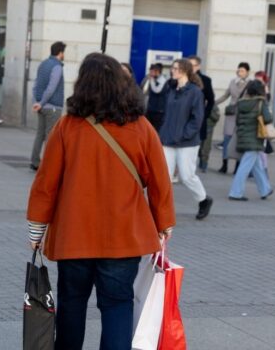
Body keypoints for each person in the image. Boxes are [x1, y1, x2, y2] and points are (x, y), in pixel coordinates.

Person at [26, 53, 175, 350]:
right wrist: (164, 224)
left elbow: (46, 183)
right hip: (124, 237)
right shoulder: (142, 127)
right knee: (118, 305)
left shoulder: (67, 127)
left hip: (74, 237)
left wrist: (36, 230)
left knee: (72, 303)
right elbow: (160, 181)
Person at [160, 59, 213, 220]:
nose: (172, 71)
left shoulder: (195, 92)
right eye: (172, 68)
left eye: (176, 69)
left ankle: (203, 200)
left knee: (187, 176)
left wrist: (184, 135)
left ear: (184, 71)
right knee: (164, 177)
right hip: (168, 139)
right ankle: (162, 210)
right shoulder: (171, 89)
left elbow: (197, 119)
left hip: (187, 142)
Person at [228, 80, 274, 201]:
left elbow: (237, 121)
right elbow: (268, 119)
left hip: (243, 137)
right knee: (245, 166)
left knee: (257, 164)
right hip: (254, 138)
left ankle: (265, 189)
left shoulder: (241, 102)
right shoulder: (261, 102)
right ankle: (235, 192)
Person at [29, 41, 66, 171]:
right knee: (51, 136)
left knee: (40, 134)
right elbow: (51, 88)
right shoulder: (57, 67)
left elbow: (36, 84)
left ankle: (34, 161)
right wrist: (42, 102)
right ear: (60, 53)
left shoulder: (43, 64)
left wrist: (36, 102)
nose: (64, 55)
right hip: (52, 107)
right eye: (63, 53)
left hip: (41, 105)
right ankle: (47, 165)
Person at [216, 62, 250, 174]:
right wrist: (214, 102)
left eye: (243, 71)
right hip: (231, 115)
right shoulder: (232, 82)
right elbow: (226, 95)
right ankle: (224, 165)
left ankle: (237, 167)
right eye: (239, 70)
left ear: (247, 72)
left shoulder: (250, 84)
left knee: (238, 142)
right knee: (226, 140)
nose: (240, 73)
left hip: (242, 116)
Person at [189, 56, 216, 172]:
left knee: (199, 142)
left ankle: (202, 161)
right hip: (185, 116)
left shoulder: (205, 80)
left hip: (199, 117)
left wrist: (205, 114)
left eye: (193, 65)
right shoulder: (184, 79)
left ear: (198, 66)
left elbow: (211, 100)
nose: (191, 68)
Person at [144, 63, 168, 132]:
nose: (150, 73)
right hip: (150, 109)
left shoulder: (162, 80)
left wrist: (151, 80)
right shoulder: (149, 78)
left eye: (152, 71)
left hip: (158, 111)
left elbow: (157, 90)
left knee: (156, 130)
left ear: (157, 71)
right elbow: (144, 90)